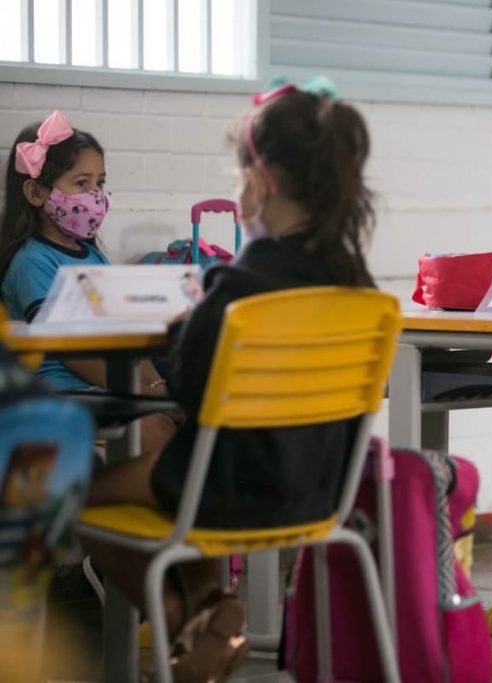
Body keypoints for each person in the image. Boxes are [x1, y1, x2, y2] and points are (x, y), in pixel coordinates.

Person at [82, 84, 376, 682]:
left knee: (74, 499)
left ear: (261, 180)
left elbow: (188, 391)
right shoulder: (359, 289)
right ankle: (205, 621)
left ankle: (192, 619)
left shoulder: (238, 289)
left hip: (226, 486)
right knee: (151, 494)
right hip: (320, 490)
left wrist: (185, 328)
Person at [0, 110, 178, 455]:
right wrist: (145, 395)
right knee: (156, 431)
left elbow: (127, 336)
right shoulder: (33, 262)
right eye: (82, 184)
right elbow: (73, 354)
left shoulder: (93, 257)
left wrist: (157, 385)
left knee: (187, 419)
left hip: (106, 388)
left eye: (100, 183)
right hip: (62, 393)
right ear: (36, 193)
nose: (96, 196)